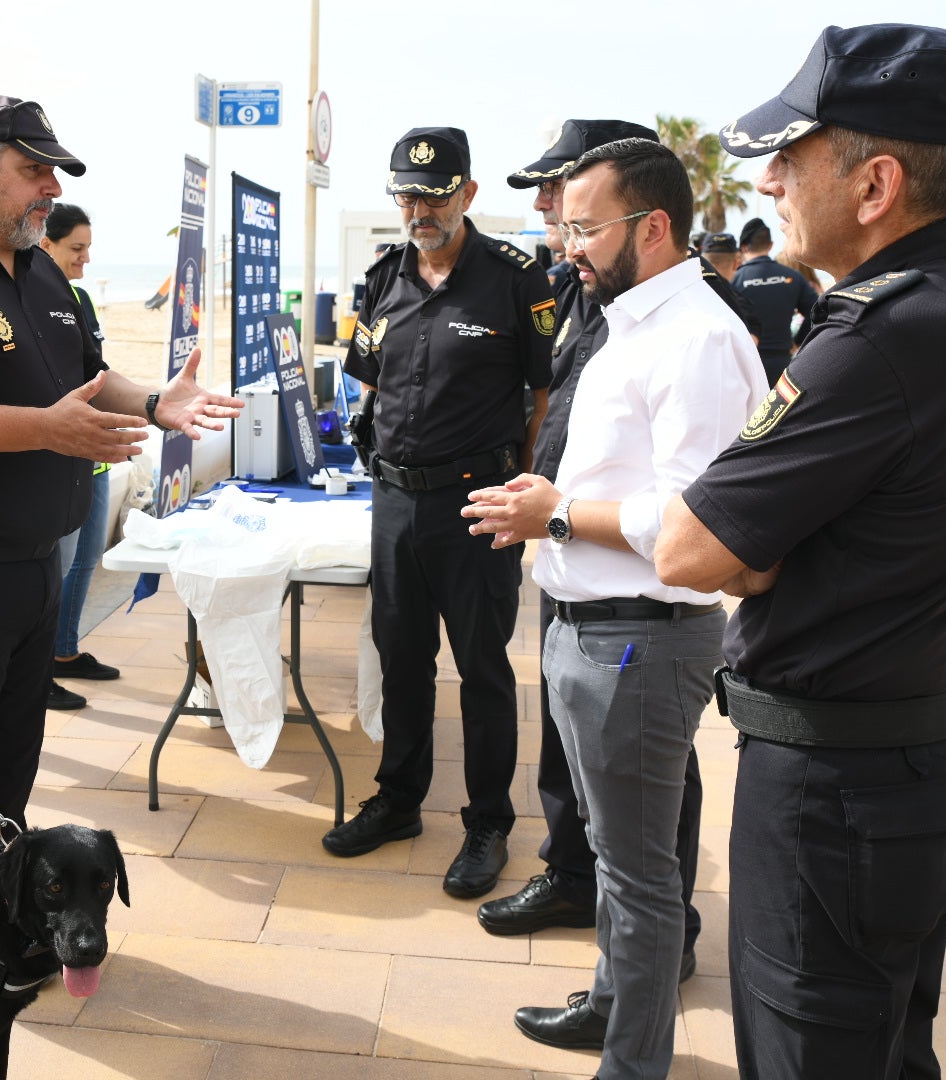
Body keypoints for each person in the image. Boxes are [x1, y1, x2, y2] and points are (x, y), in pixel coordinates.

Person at [654, 24, 946, 1077]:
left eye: (794, 154)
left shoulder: (873, 339)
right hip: (917, 757)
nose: (770, 177)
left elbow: (691, 550)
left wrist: (755, 545)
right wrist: (761, 543)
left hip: (841, 787)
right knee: (886, 1048)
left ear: (874, 185)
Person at [0, 95, 240, 848]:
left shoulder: (39, 269)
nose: (51, 189)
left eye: (52, 173)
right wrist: (45, 431)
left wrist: (158, 402)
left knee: (10, 773)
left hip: (34, 569)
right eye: (33, 171)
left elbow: (88, 376)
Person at [464, 137, 764, 1077]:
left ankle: (634, 1062)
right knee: (613, 859)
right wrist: (547, 514)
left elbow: (695, 523)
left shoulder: (699, 338)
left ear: (656, 225)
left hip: (642, 640)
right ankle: (612, 1007)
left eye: (585, 228)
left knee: (639, 877)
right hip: (591, 630)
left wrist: (556, 514)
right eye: (564, 227)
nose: (569, 248)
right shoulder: (633, 323)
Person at [325, 126, 553, 900]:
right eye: (407, 194)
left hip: (476, 505)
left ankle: (488, 822)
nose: (419, 208)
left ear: (468, 194)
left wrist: (521, 488)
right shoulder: (384, 276)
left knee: (484, 669)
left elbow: (545, 398)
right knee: (401, 659)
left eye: (435, 193)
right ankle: (397, 801)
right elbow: (369, 381)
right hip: (394, 501)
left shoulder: (516, 279)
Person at [39, 202, 118, 712]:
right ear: (44, 241)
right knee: (54, 569)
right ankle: (37, 671)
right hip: (58, 456)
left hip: (98, 455)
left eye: (89, 249)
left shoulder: (81, 298)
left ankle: (64, 654)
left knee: (88, 558)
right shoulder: (23, 299)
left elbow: (99, 372)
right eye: (76, 249)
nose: (85, 260)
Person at [733, 216, 818, 382]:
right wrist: (799, 340)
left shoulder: (734, 280)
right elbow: (817, 310)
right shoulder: (793, 277)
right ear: (771, 245)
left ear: (743, 247)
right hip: (782, 364)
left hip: (745, 364)